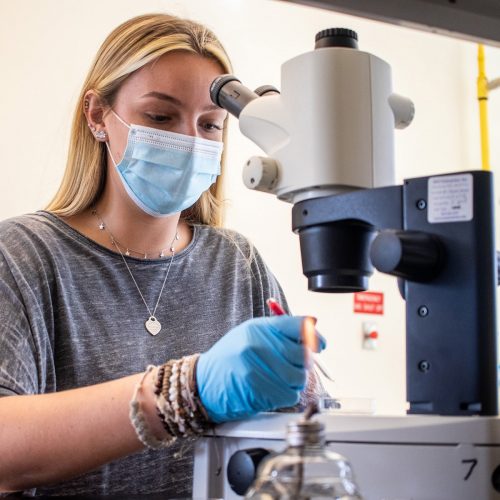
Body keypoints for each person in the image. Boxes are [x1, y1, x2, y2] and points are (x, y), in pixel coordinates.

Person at [0, 13, 324, 497]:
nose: (190, 142)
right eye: (160, 117)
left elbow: (302, 437)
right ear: (97, 116)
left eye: (210, 124)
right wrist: (181, 393)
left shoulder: (237, 265)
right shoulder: (26, 257)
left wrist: (306, 393)